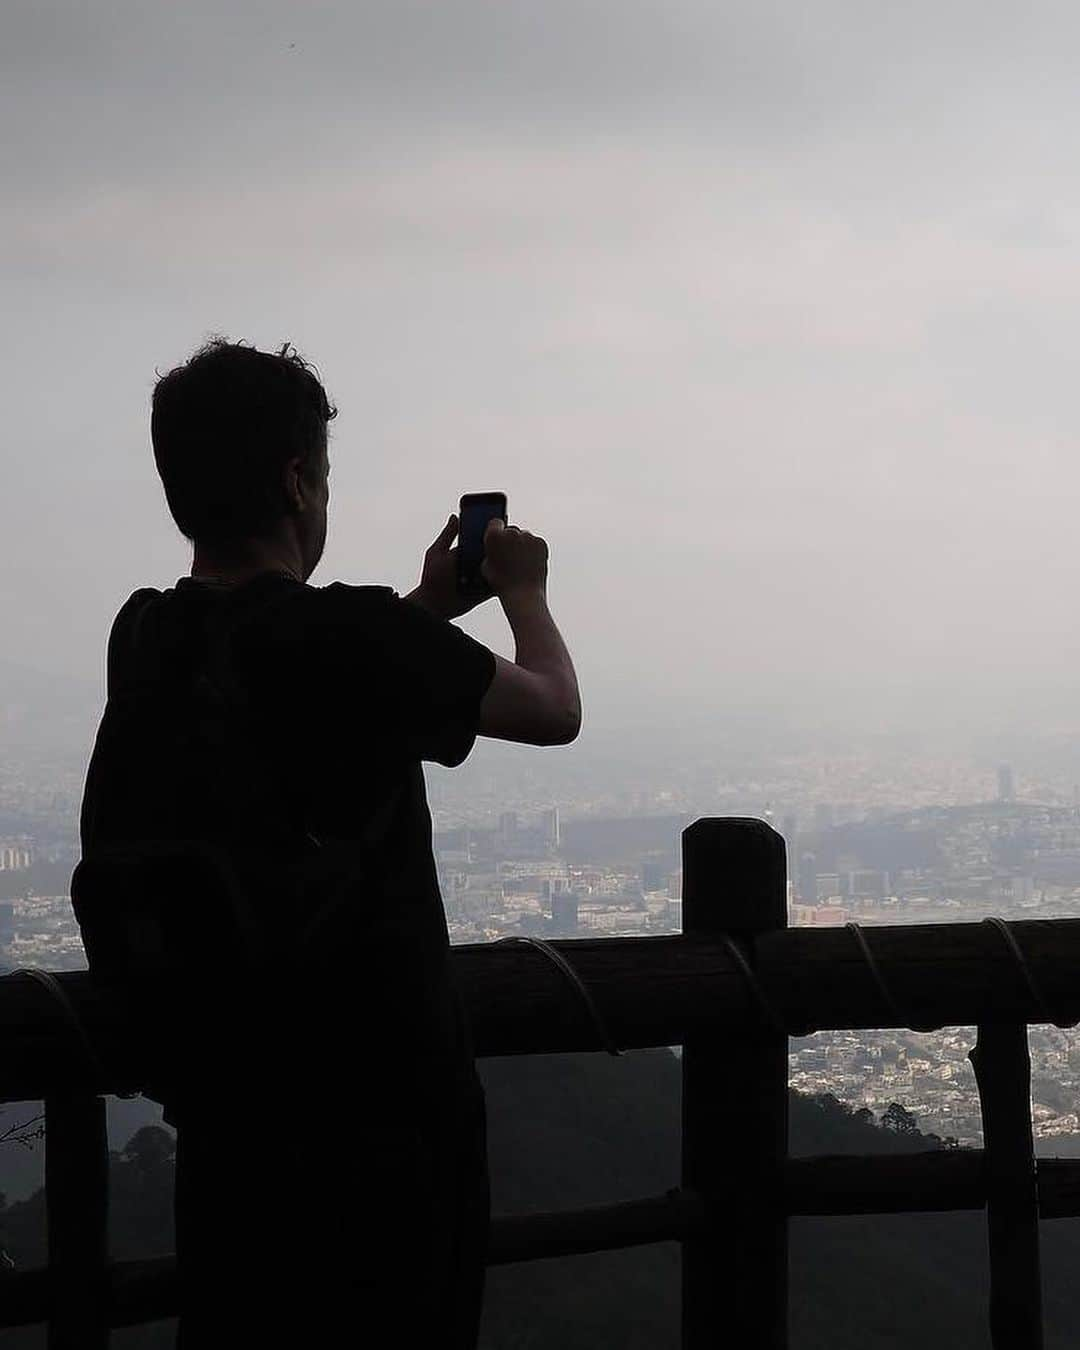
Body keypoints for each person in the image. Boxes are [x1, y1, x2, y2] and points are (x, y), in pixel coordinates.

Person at [75, 338, 581, 1347]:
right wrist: (521, 587)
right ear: (298, 479)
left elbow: (291, 688)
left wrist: (429, 608)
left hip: (228, 1121)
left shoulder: (145, 637)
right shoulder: (358, 640)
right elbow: (553, 708)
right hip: (380, 1127)